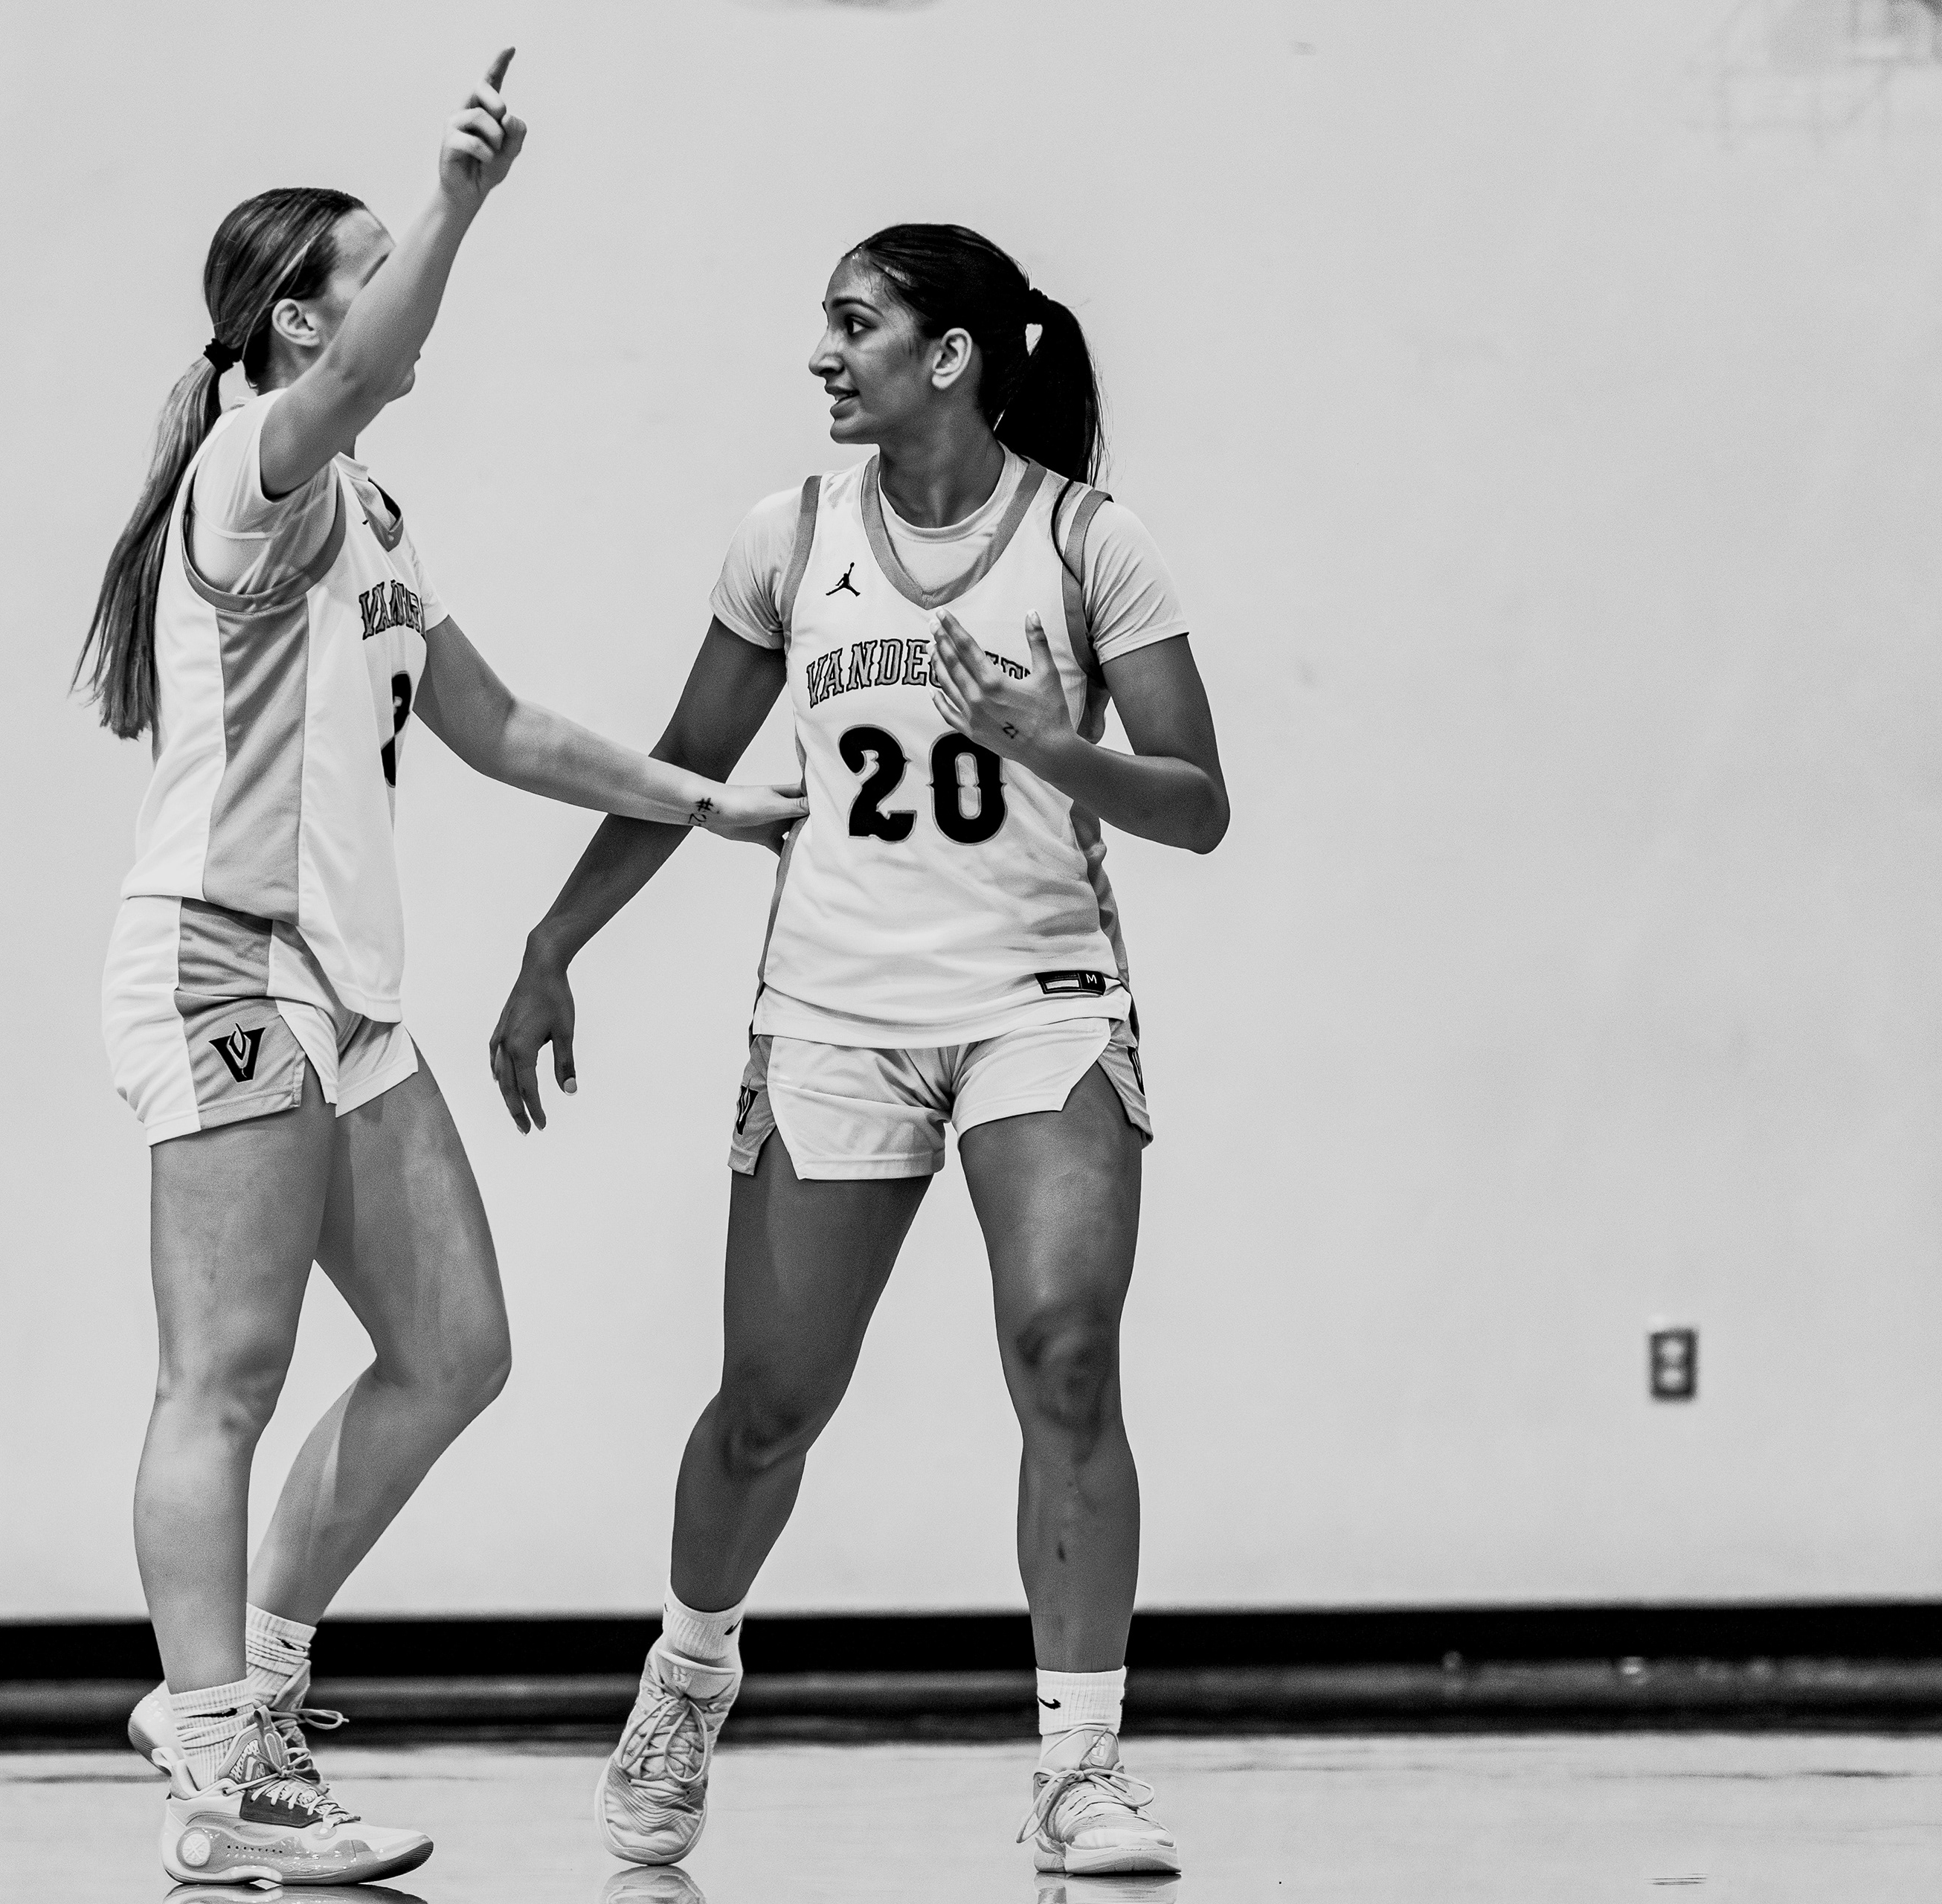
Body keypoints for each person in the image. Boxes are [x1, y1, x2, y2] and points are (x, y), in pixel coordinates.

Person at [78, 51, 804, 1890]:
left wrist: (706, 801)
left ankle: (246, 1689)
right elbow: (364, 372)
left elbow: (502, 724)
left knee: (456, 1346)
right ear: (297, 320)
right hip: (226, 961)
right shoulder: (255, 468)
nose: (402, 294)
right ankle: (217, 1770)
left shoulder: (374, 512)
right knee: (222, 1375)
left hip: (347, 992)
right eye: (375, 268)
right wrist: (462, 199)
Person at [489, 224, 1231, 1879]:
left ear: (949, 356)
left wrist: (1051, 744)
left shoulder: (1090, 542)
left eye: (853, 324)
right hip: (833, 1009)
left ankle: (1080, 1766)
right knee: (769, 1404)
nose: (822, 355)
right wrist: (553, 942)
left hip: (1039, 1000)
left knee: (1067, 1354)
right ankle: (688, 1675)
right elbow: (685, 760)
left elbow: (1198, 803)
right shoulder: (793, 535)